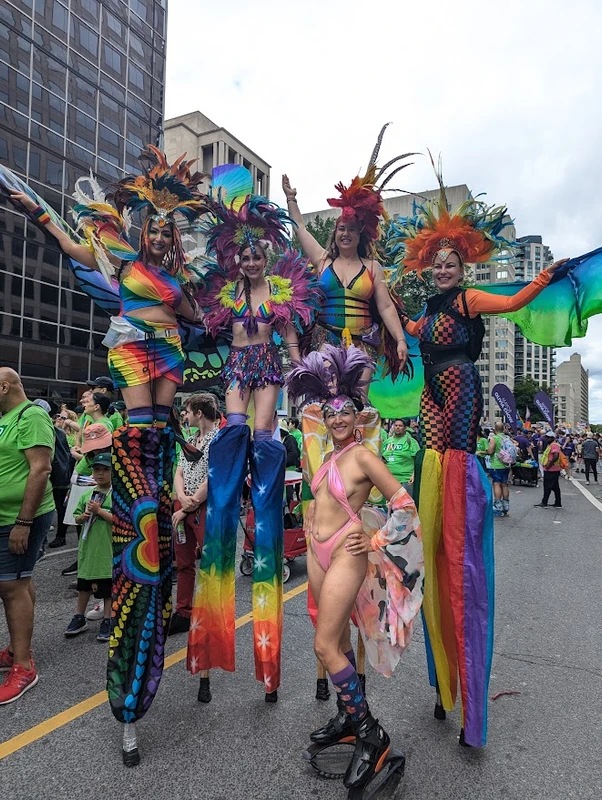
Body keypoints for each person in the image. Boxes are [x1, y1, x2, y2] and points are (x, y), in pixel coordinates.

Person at [5, 146, 211, 763]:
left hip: (168, 350)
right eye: (154, 228)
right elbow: (74, 249)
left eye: (168, 231)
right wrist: (37, 214)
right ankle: (140, 513)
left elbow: (201, 320)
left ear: (174, 239)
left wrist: (217, 304)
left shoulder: (179, 281)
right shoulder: (120, 259)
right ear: (142, 230)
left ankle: (155, 509)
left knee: (156, 438)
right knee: (138, 444)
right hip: (130, 346)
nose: (160, 236)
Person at [386, 165, 568, 747]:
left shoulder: (467, 301)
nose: (443, 268)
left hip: (461, 384)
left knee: (457, 465)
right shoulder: (428, 309)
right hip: (431, 391)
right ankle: (433, 516)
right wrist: (377, 293)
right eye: (437, 263)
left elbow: (514, 301)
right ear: (429, 268)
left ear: (462, 267)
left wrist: (545, 277)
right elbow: (404, 326)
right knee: (433, 463)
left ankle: (461, 509)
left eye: (451, 262)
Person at [188, 165, 320, 702]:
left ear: (265, 257)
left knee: (263, 436)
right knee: (234, 430)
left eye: (256, 256)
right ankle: (228, 482)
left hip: (267, 369)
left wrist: (300, 373)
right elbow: (202, 317)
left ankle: (259, 476)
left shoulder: (281, 294)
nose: (250, 262)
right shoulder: (227, 294)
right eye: (243, 257)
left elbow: (289, 344)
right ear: (236, 259)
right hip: (236, 369)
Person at [284, 345, 423, 794]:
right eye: (331, 413)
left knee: (324, 647)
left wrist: (376, 540)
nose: (338, 418)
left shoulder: (363, 456)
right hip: (318, 553)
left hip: (347, 551)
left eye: (345, 411)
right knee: (338, 641)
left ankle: (371, 734)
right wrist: (310, 512)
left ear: (357, 415)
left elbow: (404, 503)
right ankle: (347, 716)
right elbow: (322, 498)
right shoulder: (328, 458)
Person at [282, 126, 409, 382]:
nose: (346, 234)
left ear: (360, 234)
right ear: (335, 232)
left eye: (351, 229)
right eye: (341, 229)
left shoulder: (372, 267)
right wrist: (291, 199)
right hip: (325, 339)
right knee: (330, 395)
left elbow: (385, 306)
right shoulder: (322, 260)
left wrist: (400, 340)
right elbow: (301, 228)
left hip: (363, 343)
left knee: (359, 400)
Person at [0, 368, 55, 704]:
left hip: (20, 518)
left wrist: (23, 522)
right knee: (19, 580)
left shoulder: (31, 416)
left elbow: (41, 468)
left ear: (4, 387)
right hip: (7, 517)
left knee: (12, 587)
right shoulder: (7, 418)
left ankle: (23, 666)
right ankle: (15, 649)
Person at [170, 393, 219, 636]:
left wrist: (187, 506)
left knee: (211, 564)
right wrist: (181, 497)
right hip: (184, 507)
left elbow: (213, 478)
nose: (185, 416)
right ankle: (183, 611)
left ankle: (211, 613)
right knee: (184, 563)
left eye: (188, 411)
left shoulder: (218, 440)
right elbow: (179, 472)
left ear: (199, 413)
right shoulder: (189, 439)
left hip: (205, 509)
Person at [64, 453, 113, 642]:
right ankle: (79, 616)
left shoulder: (115, 495)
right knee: (84, 583)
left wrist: (99, 511)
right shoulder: (86, 495)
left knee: (107, 584)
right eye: (96, 469)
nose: (100, 474)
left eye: (105, 470)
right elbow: (75, 517)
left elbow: (120, 520)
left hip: (106, 547)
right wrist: (82, 517)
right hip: (88, 547)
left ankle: (108, 618)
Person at [381, 418, 420, 495]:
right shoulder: (387, 442)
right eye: (396, 425)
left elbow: (417, 460)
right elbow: (381, 456)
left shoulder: (411, 441)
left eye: (400, 426)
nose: (397, 427)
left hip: (405, 479)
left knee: (405, 502)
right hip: (389, 479)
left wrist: (413, 475)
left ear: (405, 428)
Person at [488, 421, 511, 517]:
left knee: (496, 484)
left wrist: (485, 451)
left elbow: (490, 451)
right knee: (504, 484)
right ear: (503, 429)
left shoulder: (494, 438)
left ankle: (498, 507)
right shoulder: (507, 438)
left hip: (497, 464)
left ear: (495, 429)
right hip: (506, 464)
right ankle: (506, 506)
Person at [535, 433, 563, 508]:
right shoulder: (552, 445)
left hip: (551, 470)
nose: (546, 439)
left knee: (547, 486)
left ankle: (544, 502)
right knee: (555, 487)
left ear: (552, 438)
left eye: (548, 438)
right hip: (554, 469)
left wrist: (548, 466)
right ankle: (558, 503)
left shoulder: (554, 445)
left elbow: (556, 455)